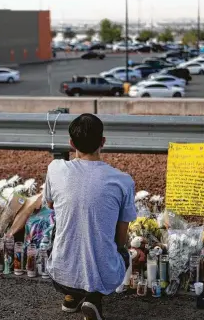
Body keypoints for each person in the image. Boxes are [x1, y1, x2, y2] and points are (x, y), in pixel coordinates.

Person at [44, 113, 136, 320]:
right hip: (104, 274)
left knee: (62, 228)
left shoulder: (55, 169)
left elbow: (50, 204)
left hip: (60, 272)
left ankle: (71, 296)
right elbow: (121, 237)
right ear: (103, 142)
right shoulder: (123, 181)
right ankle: (93, 299)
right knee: (123, 251)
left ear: (71, 143)